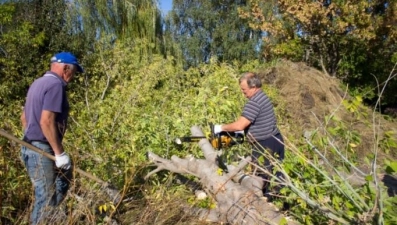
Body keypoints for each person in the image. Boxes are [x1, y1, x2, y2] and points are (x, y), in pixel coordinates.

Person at [20, 52, 83, 224]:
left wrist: (32, 137)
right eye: (74, 72)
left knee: (63, 179)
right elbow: (47, 121)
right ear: (65, 69)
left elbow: (24, 118)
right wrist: (59, 153)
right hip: (41, 150)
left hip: (30, 147)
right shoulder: (56, 85)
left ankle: (54, 217)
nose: (73, 77)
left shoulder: (38, 83)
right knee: (46, 200)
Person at [213, 72, 284, 198]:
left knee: (261, 179)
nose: (243, 93)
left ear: (254, 86)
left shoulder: (254, 102)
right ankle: (280, 205)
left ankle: (266, 208)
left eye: (244, 90)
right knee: (277, 177)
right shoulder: (262, 96)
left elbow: (240, 126)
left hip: (265, 144)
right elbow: (250, 126)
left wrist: (220, 128)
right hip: (275, 139)